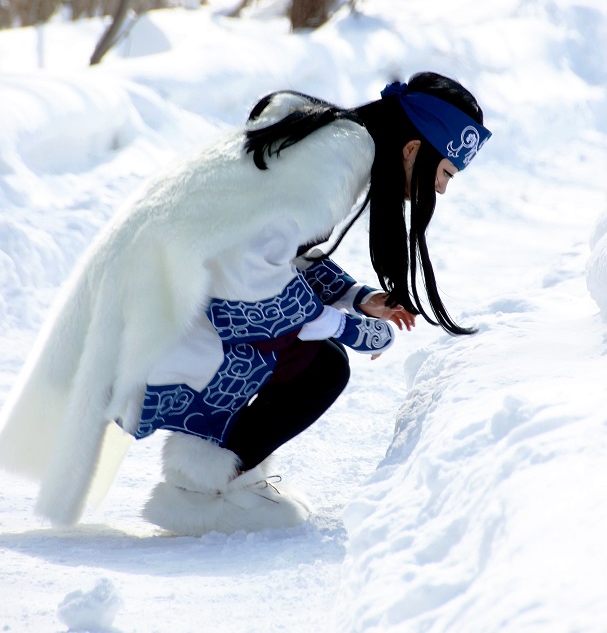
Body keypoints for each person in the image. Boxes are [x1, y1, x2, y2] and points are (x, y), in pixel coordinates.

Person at [0, 72, 490, 536]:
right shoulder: (335, 164)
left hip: (169, 281)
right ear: (412, 149)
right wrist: (345, 328)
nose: (441, 188)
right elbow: (252, 277)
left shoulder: (334, 142)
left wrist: (355, 298)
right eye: (445, 172)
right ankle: (199, 491)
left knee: (308, 351)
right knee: (321, 367)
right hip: (164, 298)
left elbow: (279, 249)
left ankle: (218, 472)